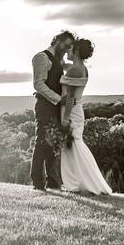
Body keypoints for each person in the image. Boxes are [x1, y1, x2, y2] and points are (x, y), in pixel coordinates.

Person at [56, 38, 112, 195]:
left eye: (70, 48)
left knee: (73, 146)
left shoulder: (75, 70)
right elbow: (65, 67)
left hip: (71, 112)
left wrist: (65, 119)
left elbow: (70, 98)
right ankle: (76, 184)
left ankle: (80, 184)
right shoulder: (80, 68)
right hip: (77, 110)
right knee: (72, 146)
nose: (67, 51)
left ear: (77, 51)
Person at [30, 31, 75, 191]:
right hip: (44, 107)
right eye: (67, 44)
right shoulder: (41, 57)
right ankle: (38, 184)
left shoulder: (57, 61)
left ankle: (54, 183)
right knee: (42, 142)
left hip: (56, 108)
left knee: (53, 145)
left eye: (71, 46)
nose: (68, 48)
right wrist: (59, 99)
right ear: (57, 41)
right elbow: (38, 84)